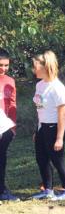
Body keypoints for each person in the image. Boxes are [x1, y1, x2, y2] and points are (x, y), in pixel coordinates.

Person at [31, 51, 65, 201]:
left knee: (58, 160)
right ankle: (47, 189)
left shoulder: (57, 88)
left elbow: (62, 114)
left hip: (55, 128)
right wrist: (37, 129)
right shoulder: (40, 85)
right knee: (41, 159)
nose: (33, 70)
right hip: (42, 128)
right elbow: (40, 109)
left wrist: (59, 138)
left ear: (45, 67)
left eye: (35, 67)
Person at [0, 48, 18, 201]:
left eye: (6, 65)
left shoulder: (10, 81)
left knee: (2, 158)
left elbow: (12, 104)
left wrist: (13, 128)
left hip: (5, 128)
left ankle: (2, 190)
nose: (3, 68)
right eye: (0, 65)